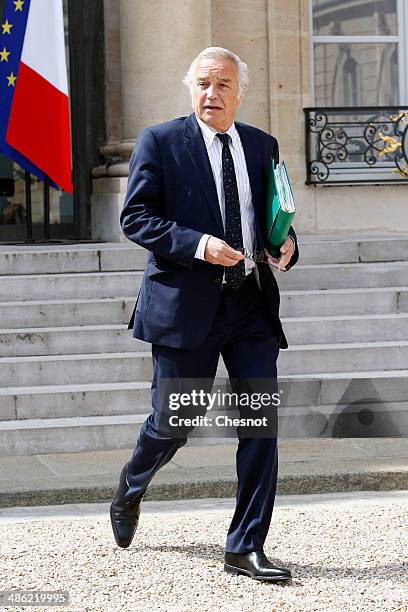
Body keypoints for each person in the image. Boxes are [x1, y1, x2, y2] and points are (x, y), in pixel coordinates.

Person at [110, 47, 299, 582]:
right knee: (178, 419)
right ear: (189, 87)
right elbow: (136, 219)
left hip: (250, 305)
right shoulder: (161, 141)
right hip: (186, 306)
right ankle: (131, 483)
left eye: (221, 85)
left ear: (240, 92)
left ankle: (244, 546)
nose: (211, 94)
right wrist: (198, 245)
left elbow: (271, 216)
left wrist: (286, 246)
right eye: (202, 84)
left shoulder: (262, 146)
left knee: (259, 423)